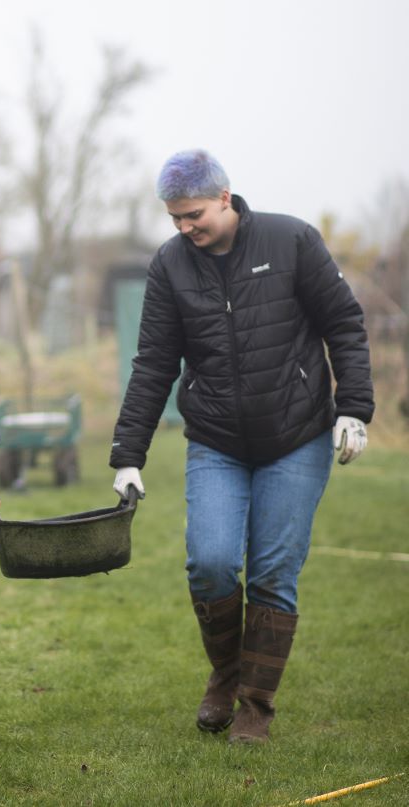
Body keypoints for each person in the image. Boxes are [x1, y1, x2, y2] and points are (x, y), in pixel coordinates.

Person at [110, 150, 374, 744]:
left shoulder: (292, 241)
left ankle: (255, 705)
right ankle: (226, 675)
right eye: (174, 218)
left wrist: (354, 407)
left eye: (194, 215)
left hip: (296, 436)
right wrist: (128, 453)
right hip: (217, 441)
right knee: (210, 563)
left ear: (226, 198)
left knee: (274, 573)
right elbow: (154, 364)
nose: (184, 228)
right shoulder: (170, 265)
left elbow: (345, 324)